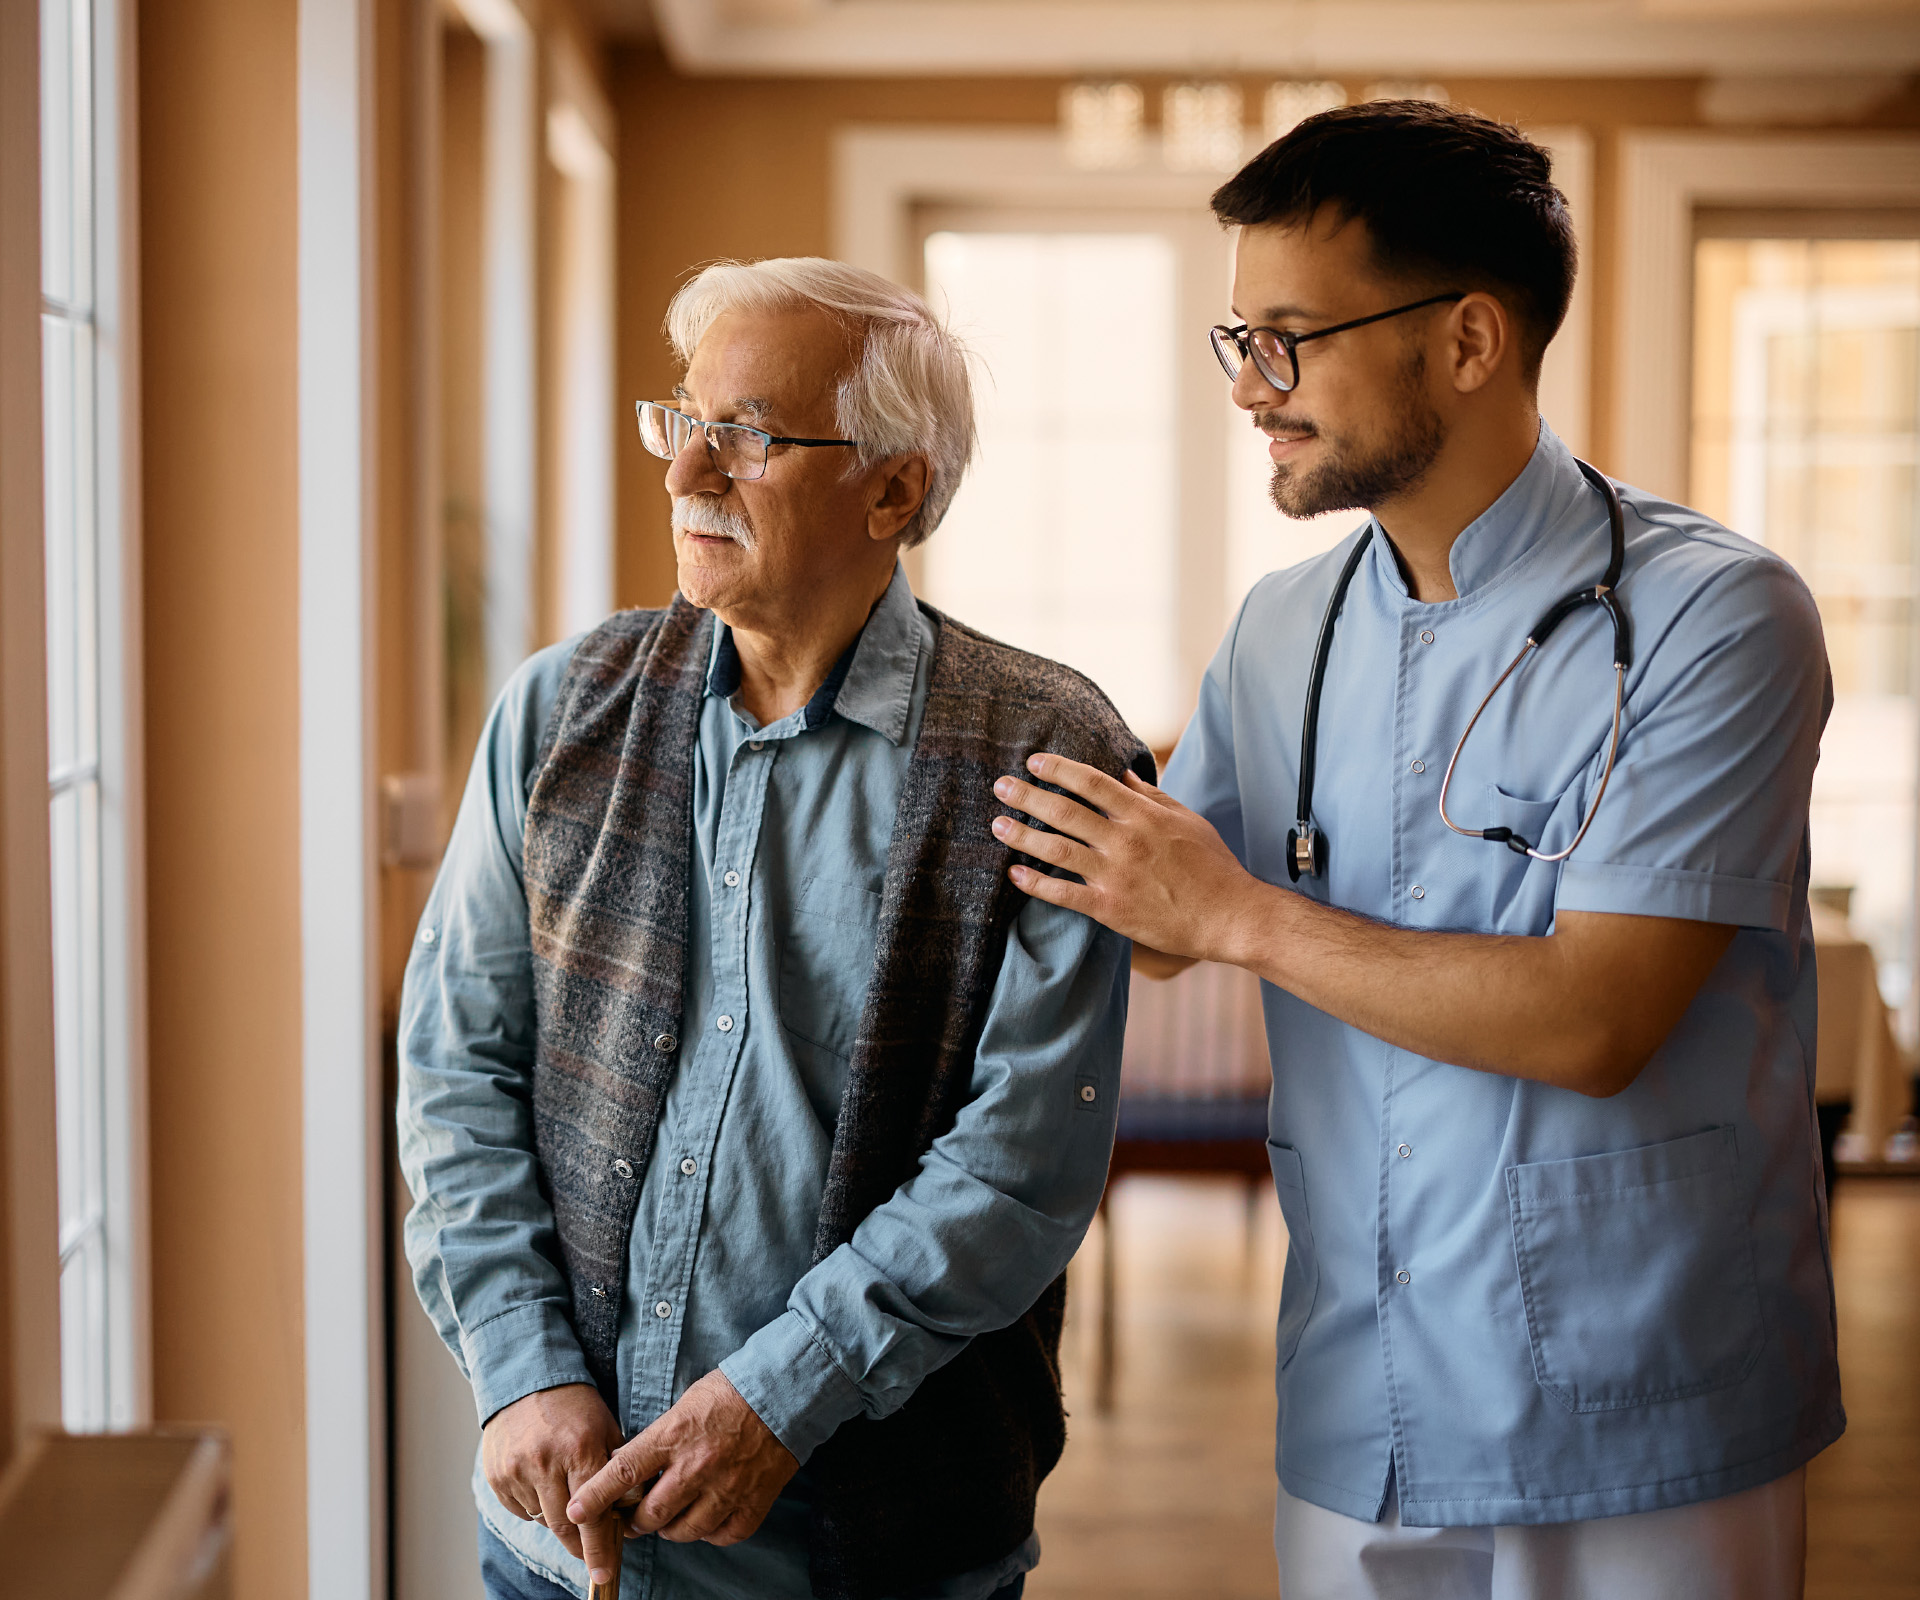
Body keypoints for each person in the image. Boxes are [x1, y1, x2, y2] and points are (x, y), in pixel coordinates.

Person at [992, 103, 1840, 1600]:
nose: (1253, 389)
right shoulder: (1283, 628)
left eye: (1293, 339)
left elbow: (1597, 1018)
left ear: (1466, 341)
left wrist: (1241, 915)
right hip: (1362, 1391)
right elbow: (1165, 916)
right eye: (1236, 339)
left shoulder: (1718, 619)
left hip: (1643, 1399)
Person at [397, 257, 1149, 1600]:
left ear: (894, 487)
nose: (687, 472)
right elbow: (459, 1063)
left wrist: (780, 1398)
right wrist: (523, 1366)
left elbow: (1025, 1158)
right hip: (553, 1542)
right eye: (679, 420)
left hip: (881, 1556)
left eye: (741, 435)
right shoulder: (557, 711)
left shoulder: (1046, 749)